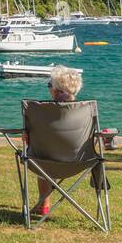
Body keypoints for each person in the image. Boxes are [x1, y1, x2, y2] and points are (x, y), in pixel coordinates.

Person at [28, 65, 84, 216]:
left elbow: (27, 138)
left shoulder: (40, 110)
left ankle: (44, 202)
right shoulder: (87, 110)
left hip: (45, 164)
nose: (48, 89)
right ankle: (44, 203)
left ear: (57, 91)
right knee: (44, 154)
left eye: (49, 85)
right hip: (80, 163)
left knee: (40, 156)